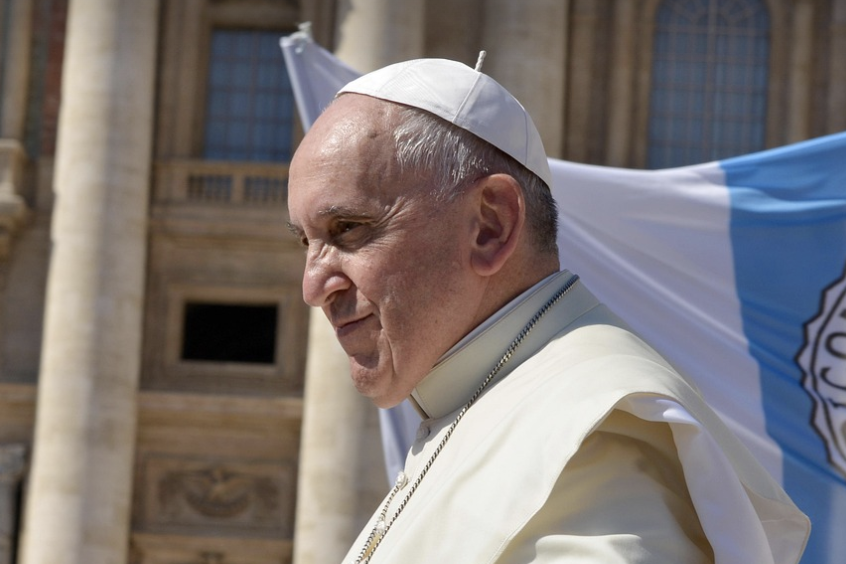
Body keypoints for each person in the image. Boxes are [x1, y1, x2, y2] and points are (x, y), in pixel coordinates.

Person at [286, 58, 810, 564]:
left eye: (348, 230)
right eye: (306, 242)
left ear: (490, 226)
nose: (312, 287)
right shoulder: (472, 401)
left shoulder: (599, 440)